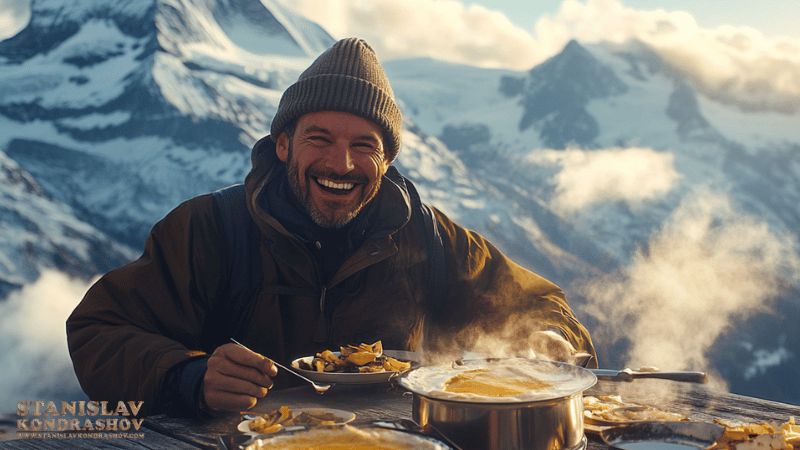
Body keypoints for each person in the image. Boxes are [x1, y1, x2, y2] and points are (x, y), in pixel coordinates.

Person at [66, 37, 597, 418]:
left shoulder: (427, 238)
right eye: (319, 138)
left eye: (364, 145)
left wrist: (549, 342)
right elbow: (98, 332)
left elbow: (544, 309)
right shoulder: (209, 230)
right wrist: (189, 376)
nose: (340, 164)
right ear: (283, 146)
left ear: (386, 160)